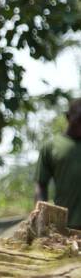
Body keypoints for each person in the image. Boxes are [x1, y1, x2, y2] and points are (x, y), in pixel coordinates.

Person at [35, 97, 81, 229]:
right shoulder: (51, 147)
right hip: (63, 226)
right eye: (79, 119)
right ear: (68, 117)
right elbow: (41, 184)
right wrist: (40, 215)